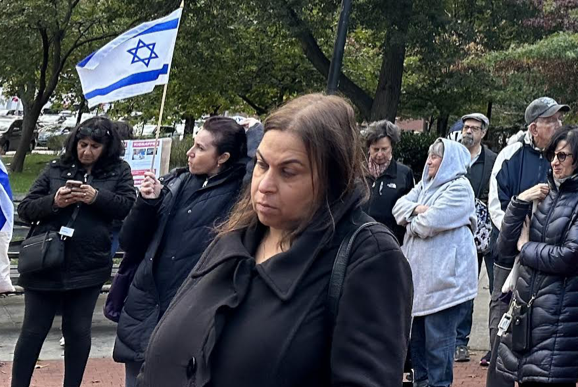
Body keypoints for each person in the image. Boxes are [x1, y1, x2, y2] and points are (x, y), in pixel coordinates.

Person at [138, 94, 412, 387]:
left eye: (288, 172)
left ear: (332, 177)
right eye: (261, 164)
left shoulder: (369, 256)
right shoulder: (236, 234)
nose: (264, 186)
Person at [113, 117, 249, 386]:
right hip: (145, 306)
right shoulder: (174, 183)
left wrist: (253, 131)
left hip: (190, 314)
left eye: (200, 147)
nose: (190, 152)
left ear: (222, 157)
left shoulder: (241, 195)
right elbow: (129, 242)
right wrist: (146, 203)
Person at [12, 117, 136, 387]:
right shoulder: (56, 167)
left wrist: (96, 197)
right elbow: (26, 208)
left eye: (94, 146)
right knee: (33, 331)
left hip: (88, 264)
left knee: (78, 331)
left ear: (107, 147)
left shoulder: (119, 171)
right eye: (82, 144)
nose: (87, 152)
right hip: (45, 262)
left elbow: (127, 205)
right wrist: (54, 202)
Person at [493, 126, 578, 386]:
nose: (555, 162)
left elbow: (570, 255)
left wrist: (526, 248)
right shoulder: (545, 194)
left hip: (559, 319)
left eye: (563, 156)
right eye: (553, 155)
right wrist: (520, 201)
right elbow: (504, 247)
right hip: (526, 315)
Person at [486, 97, 568, 370]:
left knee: (543, 313)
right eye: (551, 120)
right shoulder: (510, 156)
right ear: (534, 128)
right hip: (509, 252)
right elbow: (496, 206)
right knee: (502, 308)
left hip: (546, 253)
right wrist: (519, 214)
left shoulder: (565, 158)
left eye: (559, 119)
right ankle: (499, 368)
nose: (558, 125)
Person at [394, 138, 478, 387]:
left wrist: (413, 217)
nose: (429, 161)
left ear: (449, 161)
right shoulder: (425, 186)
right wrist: (418, 210)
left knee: (438, 350)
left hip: (445, 286)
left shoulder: (460, 189)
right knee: (417, 347)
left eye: (435, 157)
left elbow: (428, 224)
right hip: (419, 286)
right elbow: (398, 207)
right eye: (429, 156)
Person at [457, 112, 498, 363]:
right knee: (465, 289)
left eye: (473, 128)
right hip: (462, 233)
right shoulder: (455, 158)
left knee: (496, 288)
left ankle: (496, 345)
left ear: (483, 132)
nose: (468, 131)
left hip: (489, 234)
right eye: (465, 127)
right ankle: (460, 343)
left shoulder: (493, 161)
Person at [363, 120, 414, 242]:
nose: (380, 154)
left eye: (384, 149)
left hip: (392, 241)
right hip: (361, 241)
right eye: (375, 149)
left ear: (392, 147)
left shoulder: (404, 174)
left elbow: (409, 211)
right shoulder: (358, 173)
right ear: (369, 148)